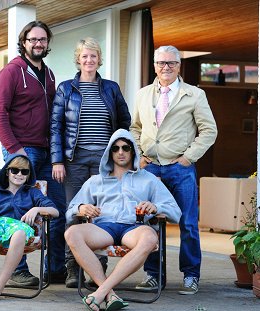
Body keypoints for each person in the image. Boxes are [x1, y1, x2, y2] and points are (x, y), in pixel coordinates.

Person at [130, 45, 218, 295]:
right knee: (147, 222)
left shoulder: (194, 94)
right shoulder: (143, 94)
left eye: (171, 63)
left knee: (188, 223)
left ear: (179, 66)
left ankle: (191, 275)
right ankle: (153, 275)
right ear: (154, 65)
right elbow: (135, 127)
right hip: (150, 169)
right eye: (161, 63)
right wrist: (140, 156)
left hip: (180, 169)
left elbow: (209, 130)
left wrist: (189, 158)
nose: (165, 68)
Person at [64, 129, 181, 311]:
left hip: (134, 227)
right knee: (72, 233)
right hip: (104, 227)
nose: (121, 152)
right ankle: (108, 293)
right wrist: (81, 208)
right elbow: (71, 209)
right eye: (116, 148)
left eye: (126, 148)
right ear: (110, 152)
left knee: (150, 238)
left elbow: (175, 211)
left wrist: (156, 207)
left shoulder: (148, 179)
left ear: (132, 151)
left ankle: (101, 292)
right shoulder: (96, 180)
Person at [50, 37, 131, 288]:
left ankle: (98, 270)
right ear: (78, 59)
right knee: (74, 213)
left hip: (104, 162)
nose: (89, 60)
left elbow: (124, 123)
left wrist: (120, 156)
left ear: (99, 59)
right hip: (74, 161)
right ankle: (73, 270)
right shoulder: (65, 89)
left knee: (101, 214)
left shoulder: (111, 88)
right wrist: (57, 161)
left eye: (93, 56)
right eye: (84, 56)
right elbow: (55, 127)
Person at [0, 20, 67, 285]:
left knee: (57, 208)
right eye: (33, 39)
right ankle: (17, 270)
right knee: (18, 208)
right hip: (22, 150)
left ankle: (56, 268)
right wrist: (15, 150)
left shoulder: (49, 74)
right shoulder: (11, 72)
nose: (38, 44)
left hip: (47, 152)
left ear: (47, 44)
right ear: (23, 43)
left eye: (42, 40)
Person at [0, 154, 58, 302]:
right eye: (15, 170)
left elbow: (55, 211)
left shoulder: (32, 192)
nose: (19, 174)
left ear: (29, 175)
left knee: (19, 233)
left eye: (24, 171)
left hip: (20, 228)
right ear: (8, 172)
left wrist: (36, 209)